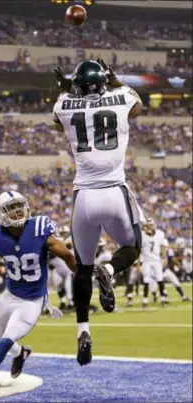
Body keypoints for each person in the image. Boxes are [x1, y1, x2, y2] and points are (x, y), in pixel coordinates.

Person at [53, 59, 144, 366]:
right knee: (132, 248)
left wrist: (67, 89)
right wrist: (116, 81)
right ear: (104, 83)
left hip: (85, 197)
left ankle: (83, 331)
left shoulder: (65, 104)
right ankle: (109, 270)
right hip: (115, 191)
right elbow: (137, 107)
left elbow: (57, 118)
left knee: (82, 268)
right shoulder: (122, 99)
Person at [0, 190, 76, 402]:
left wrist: (82, 273)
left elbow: (65, 254)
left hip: (31, 301)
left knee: (4, 343)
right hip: (10, 295)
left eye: (19, 205)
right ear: (0, 213)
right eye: (11, 208)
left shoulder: (39, 227)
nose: (18, 210)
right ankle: (20, 353)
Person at [140, 218, 168, 308]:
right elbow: (139, 250)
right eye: (147, 225)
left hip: (156, 260)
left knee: (160, 279)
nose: (148, 227)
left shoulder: (159, 234)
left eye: (150, 225)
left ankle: (163, 298)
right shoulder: (142, 235)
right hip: (146, 261)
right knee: (146, 281)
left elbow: (163, 246)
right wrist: (138, 263)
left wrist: (165, 258)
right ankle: (145, 300)